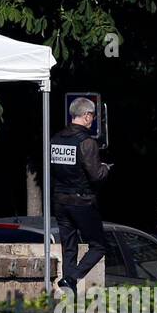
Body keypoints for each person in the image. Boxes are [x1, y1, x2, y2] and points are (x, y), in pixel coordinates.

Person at [49, 96, 112, 294]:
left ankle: (69, 293)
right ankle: (71, 278)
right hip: (82, 201)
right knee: (99, 246)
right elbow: (95, 175)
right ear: (85, 116)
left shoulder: (56, 139)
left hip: (60, 200)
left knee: (69, 248)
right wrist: (106, 169)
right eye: (92, 116)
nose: (92, 120)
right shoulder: (87, 142)